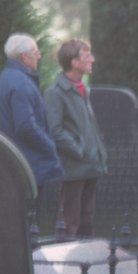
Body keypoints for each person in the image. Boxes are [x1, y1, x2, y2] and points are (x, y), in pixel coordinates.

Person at [0, 34, 64, 213]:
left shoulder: (7, 77)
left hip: (18, 160)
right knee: (29, 226)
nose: (39, 57)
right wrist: (49, 146)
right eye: (35, 53)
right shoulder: (21, 82)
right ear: (24, 56)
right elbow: (25, 126)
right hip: (28, 163)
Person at [43, 38, 108, 237]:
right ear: (74, 62)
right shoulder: (55, 92)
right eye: (87, 56)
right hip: (74, 167)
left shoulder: (83, 88)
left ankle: (85, 266)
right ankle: (63, 266)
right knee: (69, 223)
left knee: (86, 221)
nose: (92, 59)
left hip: (90, 165)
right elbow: (56, 130)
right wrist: (79, 151)